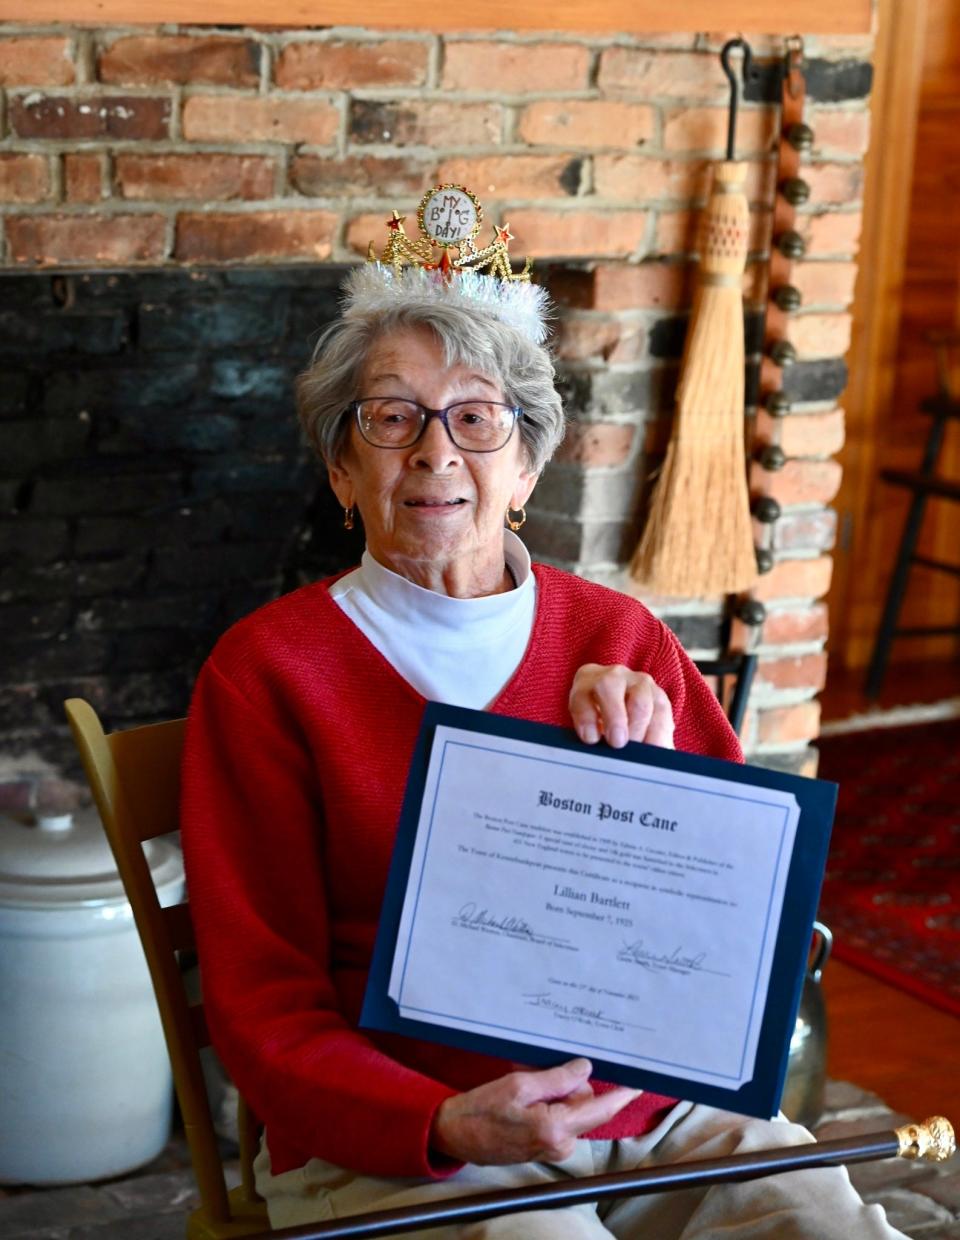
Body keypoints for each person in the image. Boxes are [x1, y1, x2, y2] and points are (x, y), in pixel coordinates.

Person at [181, 187, 906, 1239]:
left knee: (819, 1219)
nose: (436, 453)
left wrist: (652, 778)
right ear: (343, 465)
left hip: (655, 1114)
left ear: (526, 463)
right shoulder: (269, 673)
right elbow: (262, 1003)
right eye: (391, 418)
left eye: (476, 418)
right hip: (409, 1137)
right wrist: (440, 1119)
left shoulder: (620, 637)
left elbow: (731, 934)